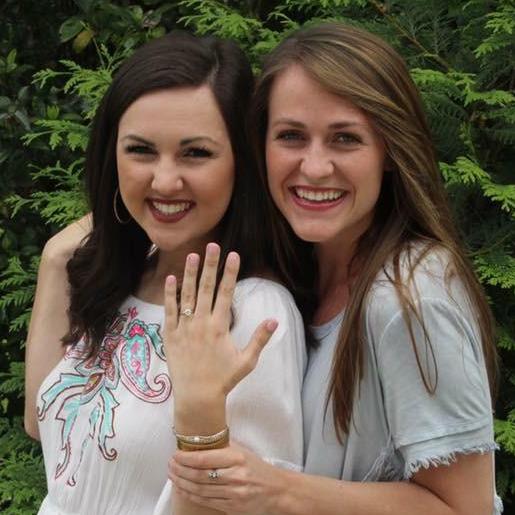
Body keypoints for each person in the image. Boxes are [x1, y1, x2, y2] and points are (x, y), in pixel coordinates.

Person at [166, 22, 503, 515]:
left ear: (390, 151)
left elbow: (465, 508)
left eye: (345, 138)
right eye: (291, 136)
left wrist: (279, 490)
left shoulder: (410, 297)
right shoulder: (296, 275)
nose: (315, 167)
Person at [23, 30, 313, 515]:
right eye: (140, 150)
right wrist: (55, 262)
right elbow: (41, 422)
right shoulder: (120, 281)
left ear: (241, 164)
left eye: (195, 153)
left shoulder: (253, 313)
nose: (164, 180)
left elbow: (254, 506)